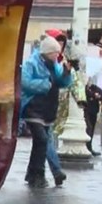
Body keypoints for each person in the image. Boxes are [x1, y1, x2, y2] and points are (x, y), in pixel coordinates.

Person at [21, 36, 73, 188]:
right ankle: (38, 173)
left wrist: (66, 73)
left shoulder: (54, 64)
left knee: (40, 142)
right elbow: (25, 82)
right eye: (55, 52)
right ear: (47, 52)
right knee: (42, 140)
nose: (57, 55)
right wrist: (46, 85)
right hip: (33, 108)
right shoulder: (31, 63)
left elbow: (61, 83)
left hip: (48, 109)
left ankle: (33, 174)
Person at [84, 82, 102, 156]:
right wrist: (93, 95)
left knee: (92, 129)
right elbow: (87, 94)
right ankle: (86, 146)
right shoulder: (85, 88)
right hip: (86, 111)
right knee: (88, 128)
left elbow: (101, 96)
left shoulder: (96, 88)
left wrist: (97, 96)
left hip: (94, 111)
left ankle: (89, 146)